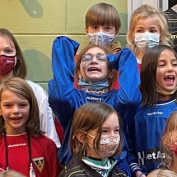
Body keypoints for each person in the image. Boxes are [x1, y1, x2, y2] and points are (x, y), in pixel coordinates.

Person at [48, 34, 140, 166]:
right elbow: (59, 97)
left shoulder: (117, 99)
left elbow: (130, 100)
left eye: (101, 59)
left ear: (110, 72)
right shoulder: (73, 98)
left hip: (115, 169)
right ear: (78, 72)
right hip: (78, 169)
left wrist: (123, 57)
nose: (94, 61)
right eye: (86, 59)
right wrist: (63, 45)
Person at [126, 45, 177, 177]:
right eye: (162, 64)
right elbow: (128, 150)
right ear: (149, 71)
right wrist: (137, 173)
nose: (170, 68)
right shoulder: (136, 110)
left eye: (175, 64)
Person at [0, 28, 58, 142]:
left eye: (8, 51)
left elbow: (49, 137)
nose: (2, 56)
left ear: (16, 55)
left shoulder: (35, 91)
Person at [128, 5, 171, 70]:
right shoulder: (127, 64)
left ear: (161, 35)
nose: (146, 35)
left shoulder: (168, 65)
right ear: (132, 35)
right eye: (140, 31)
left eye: (152, 31)